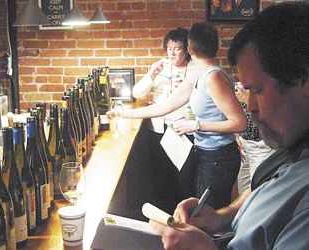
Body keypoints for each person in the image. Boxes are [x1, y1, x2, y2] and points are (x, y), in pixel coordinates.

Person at [149, 2, 309, 249]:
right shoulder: (293, 148)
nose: (251, 105)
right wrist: (221, 217)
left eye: (257, 91)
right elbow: (261, 193)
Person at [108, 22, 247, 210]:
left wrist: (197, 125)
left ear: (189, 49)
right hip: (207, 153)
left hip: (219, 157)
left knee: (210, 213)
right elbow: (164, 106)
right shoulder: (198, 75)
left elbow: (239, 123)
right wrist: (123, 113)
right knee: (202, 210)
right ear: (217, 46)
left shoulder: (213, 77)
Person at [128, 27, 196, 215]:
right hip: (158, 129)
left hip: (183, 130)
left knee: (182, 174)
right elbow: (137, 93)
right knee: (160, 173)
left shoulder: (194, 69)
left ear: (187, 50)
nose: (172, 53)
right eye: (169, 48)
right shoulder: (161, 67)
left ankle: (182, 211)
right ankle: (163, 212)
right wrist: (151, 75)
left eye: (177, 48)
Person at [235, 82, 275, 194]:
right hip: (245, 143)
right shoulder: (246, 86)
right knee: (243, 188)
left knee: (259, 189)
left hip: (260, 144)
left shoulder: (272, 84)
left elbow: (274, 113)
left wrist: (247, 99)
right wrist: (236, 134)